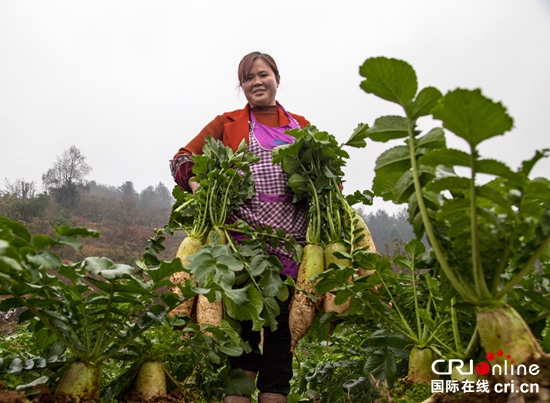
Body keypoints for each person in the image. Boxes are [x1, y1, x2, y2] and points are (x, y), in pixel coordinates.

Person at [169, 52, 310, 403]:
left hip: (290, 257)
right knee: (241, 351)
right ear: (242, 85)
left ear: (277, 78)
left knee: (280, 351)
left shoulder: (302, 127)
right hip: (237, 256)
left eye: (263, 75)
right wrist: (198, 186)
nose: (256, 82)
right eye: (248, 78)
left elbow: (327, 182)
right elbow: (181, 159)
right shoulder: (226, 123)